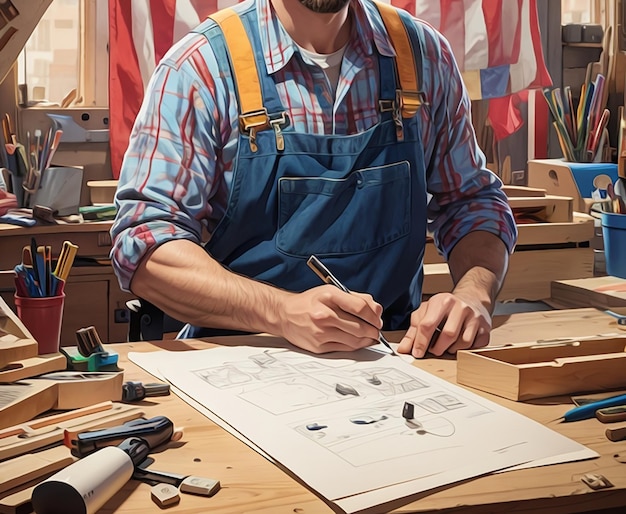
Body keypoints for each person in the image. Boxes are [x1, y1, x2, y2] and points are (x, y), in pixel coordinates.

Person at [110, 0, 517, 358]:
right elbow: (145, 247)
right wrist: (282, 313)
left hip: (395, 356)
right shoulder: (202, 67)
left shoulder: (423, 56)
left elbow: (472, 202)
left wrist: (474, 295)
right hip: (238, 360)